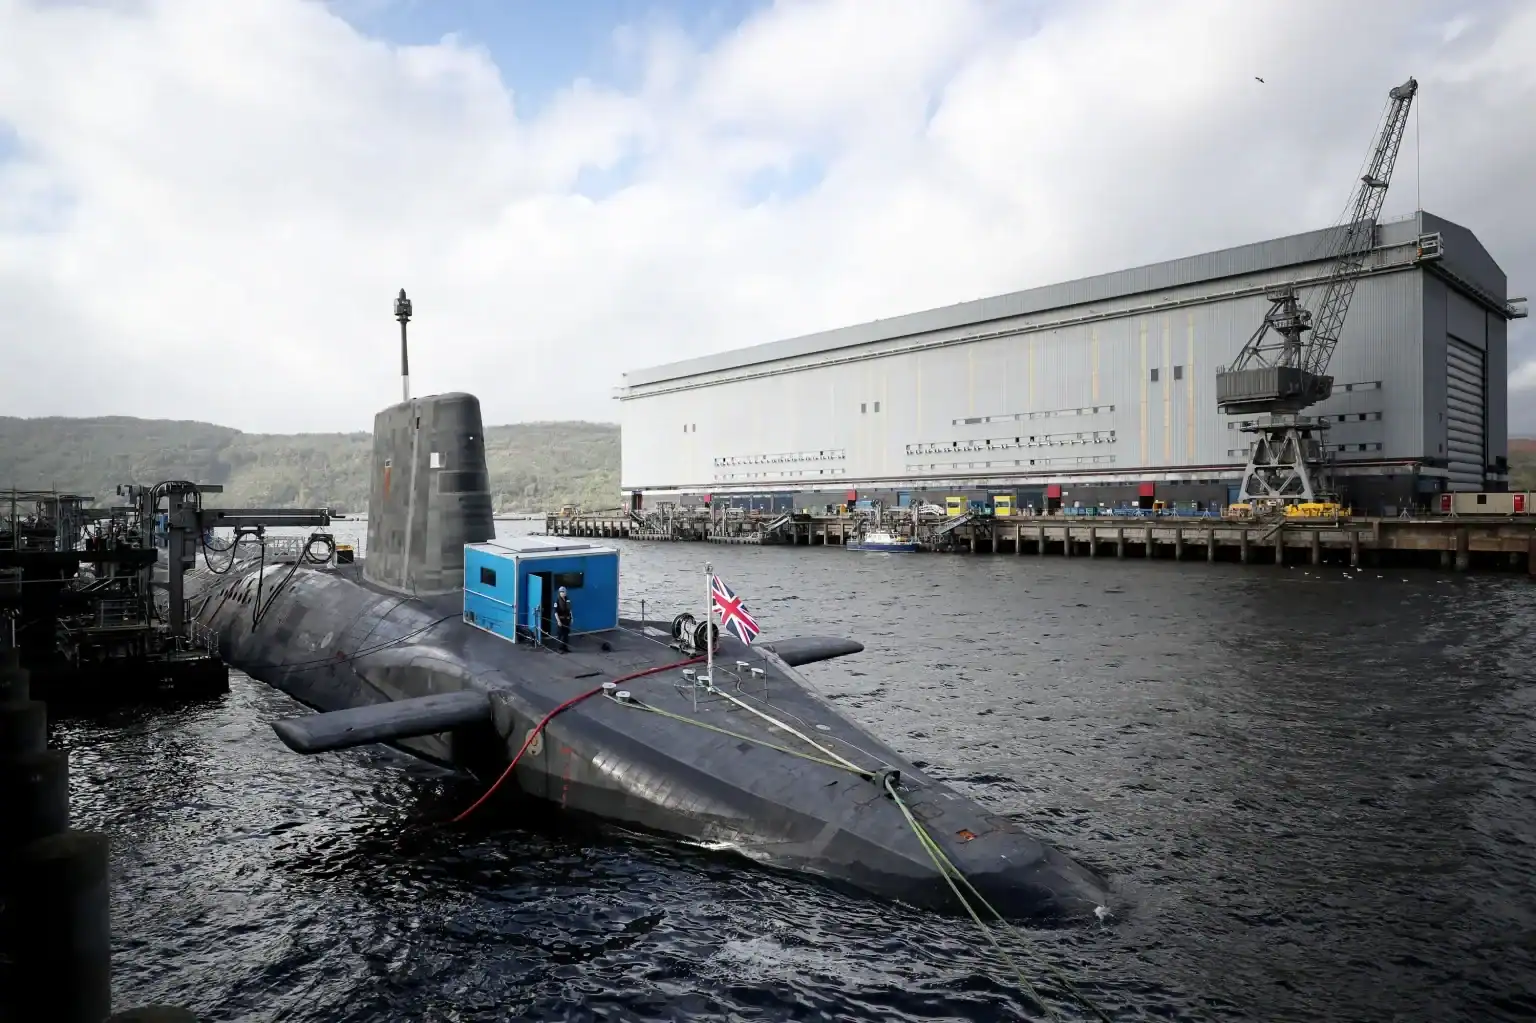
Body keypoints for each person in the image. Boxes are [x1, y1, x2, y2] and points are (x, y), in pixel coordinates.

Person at [554, 586, 572, 653]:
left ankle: (565, 648)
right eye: (563, 592)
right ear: (560, 593)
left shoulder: (567, 599)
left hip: (567, 620)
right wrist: (558, 621)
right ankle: (559, 648)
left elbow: (569, 609)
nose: (564, 593)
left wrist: (571, 617)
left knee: (566, 635)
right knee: (560, 635)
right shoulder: (557, 601)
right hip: (561, 620)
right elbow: (555, 612)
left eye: (565, 592)